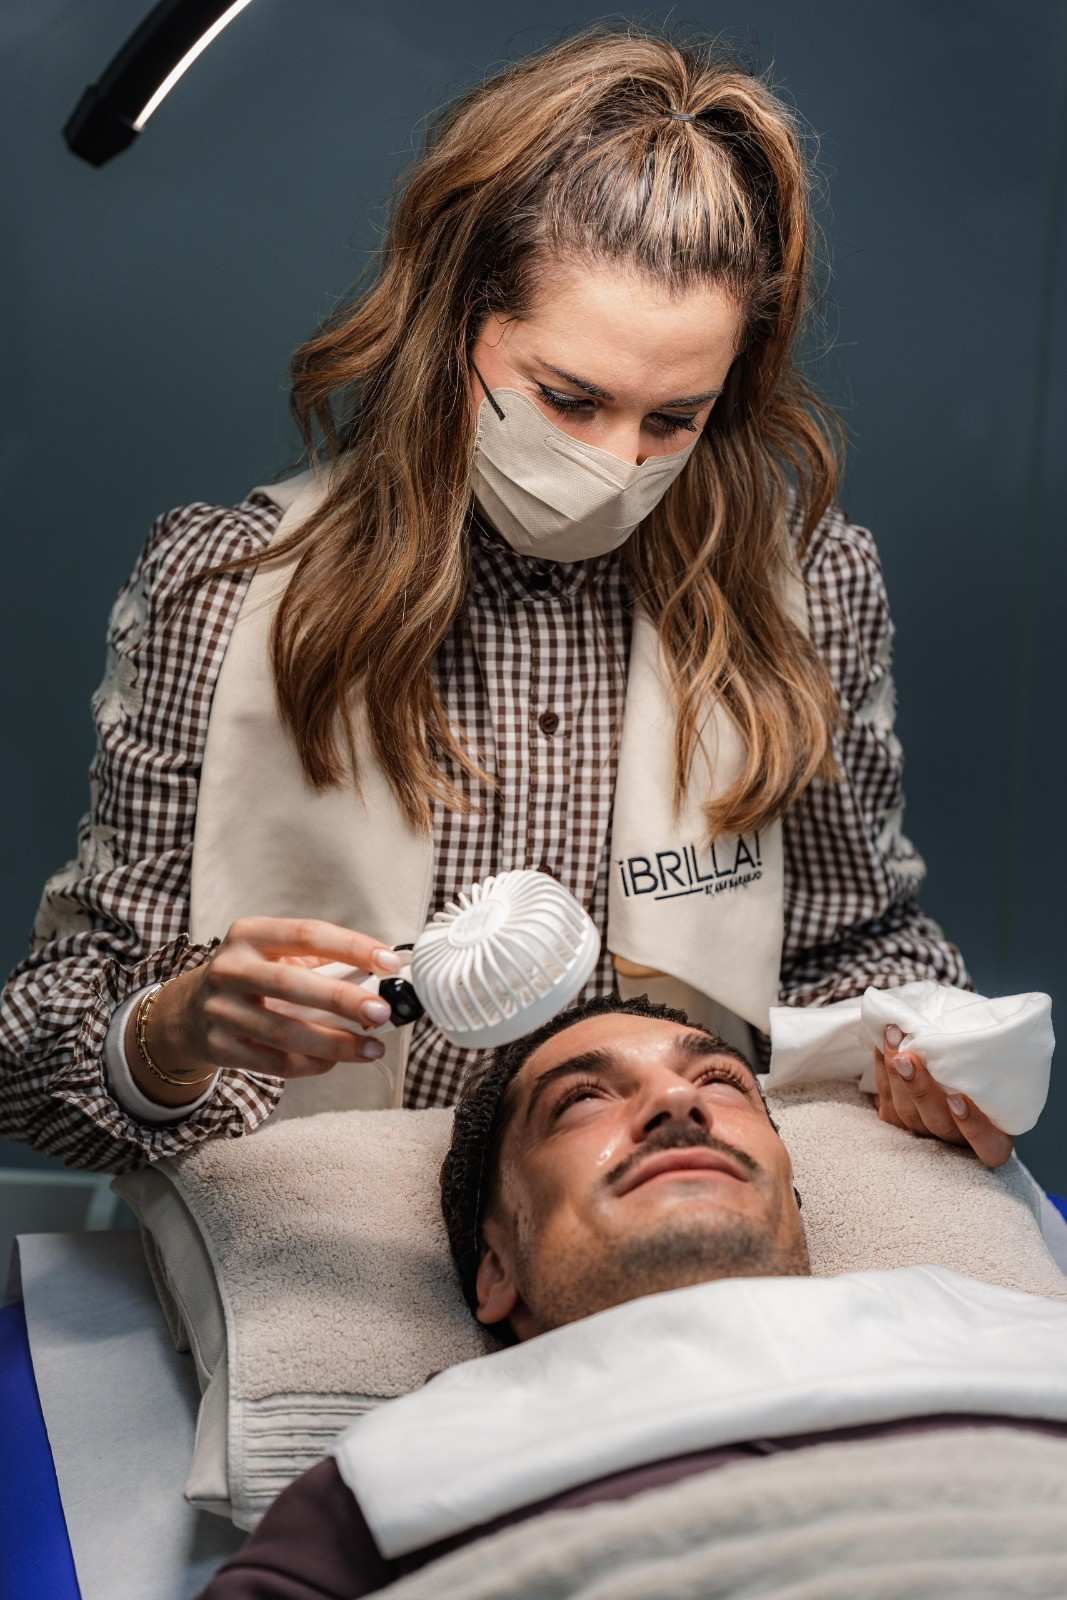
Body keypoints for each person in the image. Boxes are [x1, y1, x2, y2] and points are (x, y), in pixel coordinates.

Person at [1, 23, 1009, 1173]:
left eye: (673, 419)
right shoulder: (219, 593)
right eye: (568, 400)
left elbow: (853, 946)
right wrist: (169, 1032)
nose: (621, 462)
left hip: (648, 1231)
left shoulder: (806, 591)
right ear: (451, 326)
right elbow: (35, 1052)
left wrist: (928, 1041)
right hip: (322, 1226)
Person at [195, 994, 1067, 1598]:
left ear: (789, 1194)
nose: (678, 1102)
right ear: (494, 1265)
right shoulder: (408, 1462)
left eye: (722, 1084)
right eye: (580, 1101)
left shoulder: (1004, 1327)